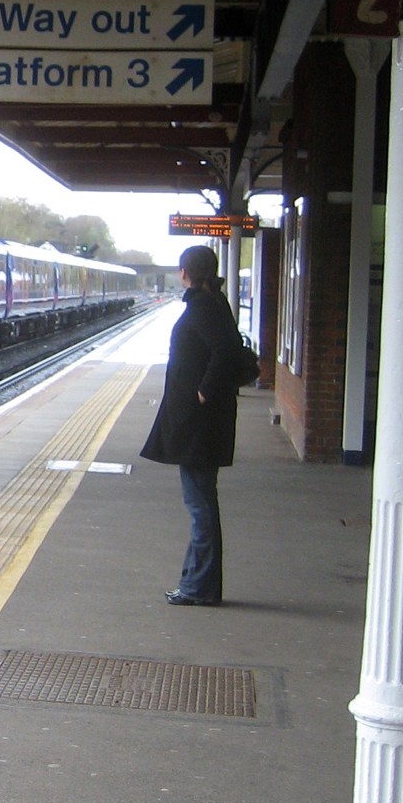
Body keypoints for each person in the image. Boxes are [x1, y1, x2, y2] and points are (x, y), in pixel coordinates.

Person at [140, 244, 242, 605]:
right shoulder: (212, 303)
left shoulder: (204, 307)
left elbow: (227, 352)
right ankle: (196, 582)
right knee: (201, 502)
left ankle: (200, 587)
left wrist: (203, 392)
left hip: (200, 424)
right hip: (202, 424)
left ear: (185, 273)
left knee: (200, 505)